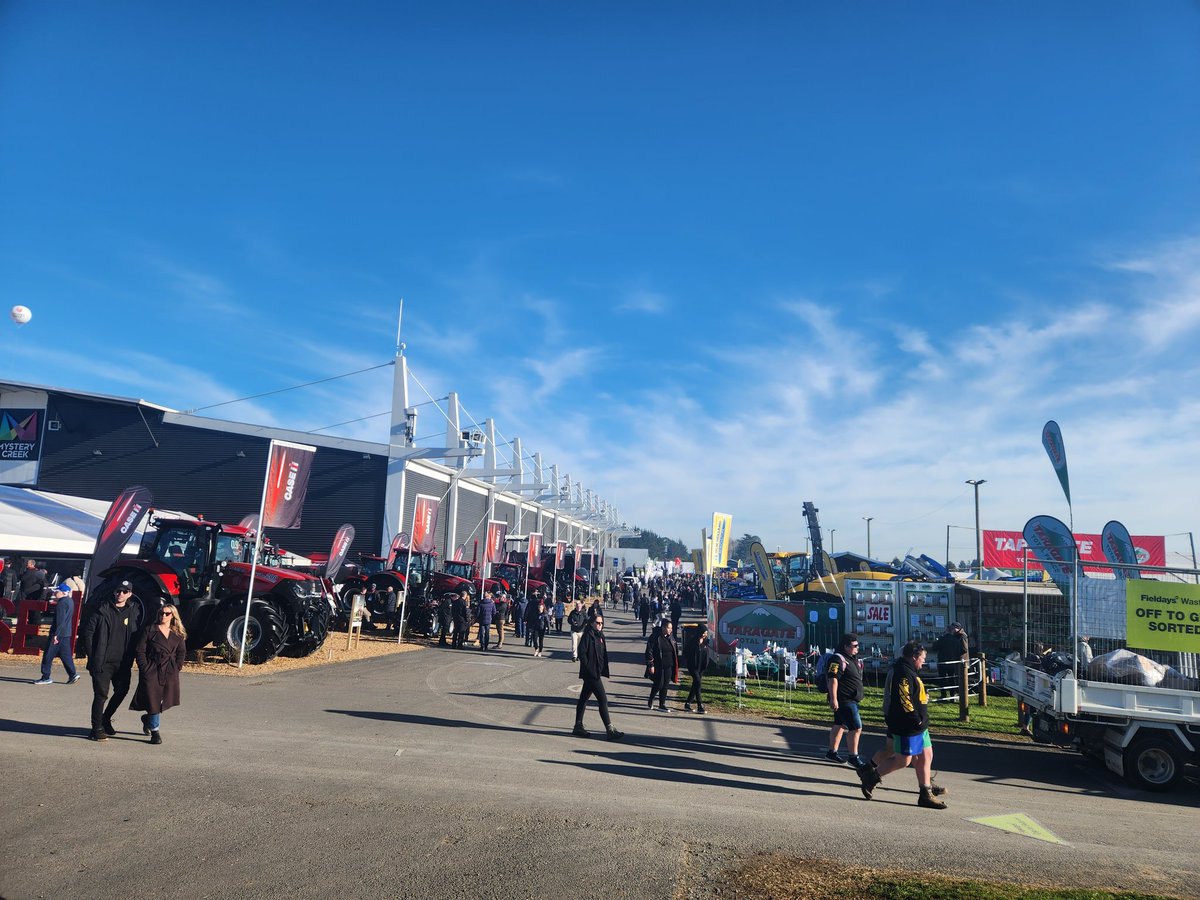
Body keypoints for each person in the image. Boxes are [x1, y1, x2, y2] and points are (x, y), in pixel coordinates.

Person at [858, 640, 948, 809]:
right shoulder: (902, 672)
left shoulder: (910, 670)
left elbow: (912, 693)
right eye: (922, 658)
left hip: (919, 725)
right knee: (903, 760)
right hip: (908, 725)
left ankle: (926, 791)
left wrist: (922, 698)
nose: (923, 661)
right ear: (914, 657)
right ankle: (871, 778)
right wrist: (916, 719)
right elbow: (904, 699)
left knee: (926, 755)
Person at [80, 580, 144, 741]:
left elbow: (139, 634)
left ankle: (105, 718)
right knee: (101, 695)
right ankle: (95, 730)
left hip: (123, 663)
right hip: (102, 662)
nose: (120, 594)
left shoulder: (135, 611)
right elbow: (87, 634)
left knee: (122, 691)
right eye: (118, 591)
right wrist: (93, 656)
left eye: (124, 591)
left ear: (130, 594)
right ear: (114, 592)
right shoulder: (102, 610)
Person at [130, 603, 186, 745]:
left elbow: (181, 652)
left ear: (173, 616)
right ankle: (155, 733)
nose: (163, 615)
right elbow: (140, 650)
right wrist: (145, 667)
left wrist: (177, 667)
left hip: (169, 670)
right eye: (161, 613)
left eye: (167, 613)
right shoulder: (150, 630)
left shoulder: (178, 634)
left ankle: (147, 719)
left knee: (163, 700)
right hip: (152, 669)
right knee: (153, 699)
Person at [572, 612, 623, 741]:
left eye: (601, 623)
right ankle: (609, 729)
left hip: (596, 672)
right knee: (603, 700)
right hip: (591, 674)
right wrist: (589, 668)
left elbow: (602, 655)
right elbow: (582, 653)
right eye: (597, 623)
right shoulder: (588, 635)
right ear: (592, 623)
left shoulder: (600, 635)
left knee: (583, 698)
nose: (600, 625)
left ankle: (578, 726)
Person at [824, 634, 866, 767]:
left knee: (840, 725)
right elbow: (833, 679)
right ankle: (854, 756)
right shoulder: (837, 659)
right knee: (856, 728)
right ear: (846, 646)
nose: (857, 648)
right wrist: (834, 698)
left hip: (849, 699)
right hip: (845, 700)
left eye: (857, 645)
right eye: (854, 646)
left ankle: (832, 752)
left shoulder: (851, 659)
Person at [32, 583, 80, 685]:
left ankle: (46, 677)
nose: (55, 593)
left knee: (48, 655)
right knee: (65, 654)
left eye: (57, 591)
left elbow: (60, 621)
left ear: (63, 592)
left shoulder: (62, 603)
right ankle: (73, 674)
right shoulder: (70, 601)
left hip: (58, 633)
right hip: (66, 633)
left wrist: (55, 635)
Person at [646, 619, 679, 712]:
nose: (670, 630)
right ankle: (651, 699)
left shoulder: (671, 638)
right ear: (663, 627)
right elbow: (649, 651)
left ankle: (662, 704)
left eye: (671, 628)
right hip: (658, 665)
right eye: (668, 628)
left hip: (669, 665)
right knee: (659, 684)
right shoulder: (655, 637)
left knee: (665, 685)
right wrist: (650, 664)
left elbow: (675, 650)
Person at [682, 622, 710, 714]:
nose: (705, 635)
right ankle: (700, 705)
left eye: (706, 633)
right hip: (693, 666)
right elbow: (686, 652)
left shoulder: (706, 642)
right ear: (699, 632)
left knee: (695, 684)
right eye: (704, 633)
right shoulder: (692, 641)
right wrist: (688, 661)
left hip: (701, 667)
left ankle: (687, 703)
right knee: (698, 683)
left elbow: (706, 654)